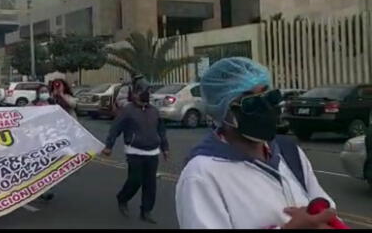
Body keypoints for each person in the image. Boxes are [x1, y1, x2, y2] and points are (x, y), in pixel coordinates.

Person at [175, 57, 339, 229]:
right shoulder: (201, 175)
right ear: (223, 110)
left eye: (270, 97)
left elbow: (325, 211)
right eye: (251, 102)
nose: (266, 107)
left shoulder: (289, 151)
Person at [102, 75, 169, 224]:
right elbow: (115, 128)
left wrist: (165, 148)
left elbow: (161, 130)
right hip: (134, 150)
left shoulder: (154, 111)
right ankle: (122, 198)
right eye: (143, 91)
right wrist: (109, 146)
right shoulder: (128, 110)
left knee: (150, 183)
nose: (147, 94)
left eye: (148, 91)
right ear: (136, 93)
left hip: (152, 151)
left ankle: (146, 211)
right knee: (135, 180)